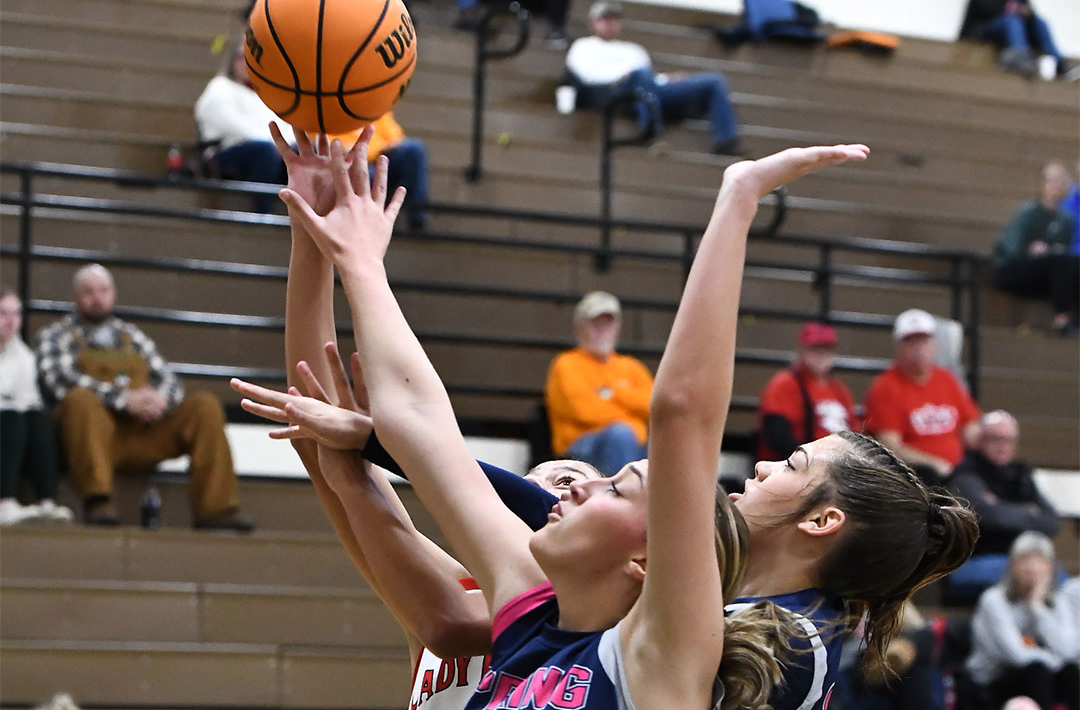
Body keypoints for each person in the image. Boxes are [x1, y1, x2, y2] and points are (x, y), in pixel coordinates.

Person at [279, 135, 979, 709]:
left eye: (611, 484)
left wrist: (738, 197)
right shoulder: (546, 611)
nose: (570, 490)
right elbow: (423, 427)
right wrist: (352, 260)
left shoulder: (773, 645)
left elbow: (681, 419)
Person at [233, 124, 607, 709]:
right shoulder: (455, 576)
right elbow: (317, 427)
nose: (550, 493)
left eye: (569, 481)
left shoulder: (599, 612)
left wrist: (363, 444)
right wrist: (310, 230)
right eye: (537, 480)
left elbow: (448, 622)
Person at [34, 264, 252, 530]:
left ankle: (216, 509)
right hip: (96, 440)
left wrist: (158, 400)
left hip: (144, 432)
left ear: (113, 293)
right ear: (75, 296)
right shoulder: (55, 336)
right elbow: (58, 381)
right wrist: (124, 399)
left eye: (103, 290)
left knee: (205, 405)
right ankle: (98, 501)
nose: (97, 297)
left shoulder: (132, 336)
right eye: (88, 291)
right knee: (79, 400)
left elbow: (170, 380)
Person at [565, 0, 743, 155]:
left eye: (614, 19)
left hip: (645, 89)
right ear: (592, 22)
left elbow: (650, 79)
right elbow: (586, 76)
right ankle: (652, 133)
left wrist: (667, 79)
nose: (610, 23)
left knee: (714, 81)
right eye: (605, 18)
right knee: (639, 74)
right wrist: (621, 76)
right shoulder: (583, 46)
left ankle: (726, 141)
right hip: (613, 93)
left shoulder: (634, 49)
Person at [946, 410, 1060, 602]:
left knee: (1057, 576)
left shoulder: (1021, 475)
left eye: (1009, 440)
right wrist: (1028, 511)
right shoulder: (966, 474)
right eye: (996, 439)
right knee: (1029, 573)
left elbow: (1051, 521)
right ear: (980, 440)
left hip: (1017, 558)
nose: (1003, 446)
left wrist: (1002, 507)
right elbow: (991, 516)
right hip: (977, 559)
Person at [863, 308, 981, 486]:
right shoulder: (885, 386)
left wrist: (992, 436)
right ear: (898, 347)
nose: (919, 349)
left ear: (933, 344)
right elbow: (891, 446)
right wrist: (935, 464)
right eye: (911, 342)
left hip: (959, 470)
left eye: (924, 341)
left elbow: (971, 427)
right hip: (918, 476)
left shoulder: (946, 379)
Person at [966, 531, 1079, 710]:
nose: (1033, 568)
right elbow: (1017, 655)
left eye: (1040, 561)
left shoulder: (1057, 601)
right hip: (993, 680)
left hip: (1042, 675)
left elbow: (1068, 650)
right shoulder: (994, 600)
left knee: (1070, 672)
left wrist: (1037, 607)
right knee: (1037, 671)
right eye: (1026, 560)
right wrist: (1053, 660)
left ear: (1051, 567)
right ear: (1012, 564)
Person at [544, 291, 652, 476]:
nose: (602, 330)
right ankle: (621, 492)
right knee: (621, 435)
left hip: (632, 444)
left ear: (617, 328)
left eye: (608, 324)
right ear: (579, 327)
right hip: (580, 450)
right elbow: (584, 411)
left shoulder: (632, 366)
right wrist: (632, 420)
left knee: (668, 443)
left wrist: (613, 393)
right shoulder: (566, 364)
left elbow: (653, 406)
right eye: (595, 323)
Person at [194, 40, 292, 213]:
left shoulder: (268, 96)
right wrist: (276, 143)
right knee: (266, 151)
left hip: (269, 150)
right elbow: (232, 124)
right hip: (228, 151)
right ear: (232, 61)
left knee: (302, 152)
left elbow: (286, 129)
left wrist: (287, 146)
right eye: (242, 57)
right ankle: (263, 214)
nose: (247, 63)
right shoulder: (220, 86)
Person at [0, 290, 72, 525]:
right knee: (11, 418)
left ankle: (46, 501)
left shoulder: (22, 356)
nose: (10, 321)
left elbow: (28, 399)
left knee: (37, 419)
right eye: (3, 313)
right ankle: (4, 501)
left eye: (16, 314)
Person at [992, 161, 1079, 335]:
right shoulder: (1028, 212)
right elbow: (1010, 248)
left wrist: (1049, 251)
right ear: (1043, 184)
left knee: (1070, 264)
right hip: (1014, 269)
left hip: (1047, 273)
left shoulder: (1066, 220)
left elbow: (1063, 250)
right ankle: (1062, 320)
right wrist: (1031, 250)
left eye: (1061, 182)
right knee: (1061, 261)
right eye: (1052, 181)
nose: (1056, 187)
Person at [756, 321, 857, 461]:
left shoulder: (840, 390)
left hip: (836, 464)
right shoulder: (784, 384)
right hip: (799, 465)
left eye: (826, 349)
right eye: (815, 349)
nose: (821, 354)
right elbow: (777, 436)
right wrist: (810, 461)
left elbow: (854, 433)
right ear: (801, 350)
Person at [958, 0, 1073, 79]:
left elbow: (1029, 11)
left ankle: (1060, 65)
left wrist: (1027, 13)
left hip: (1015, 31)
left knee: (1040, 23)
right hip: (985, 30)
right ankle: (1020, 56)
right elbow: (985, 8)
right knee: (1012, 20)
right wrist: (1012, 7)